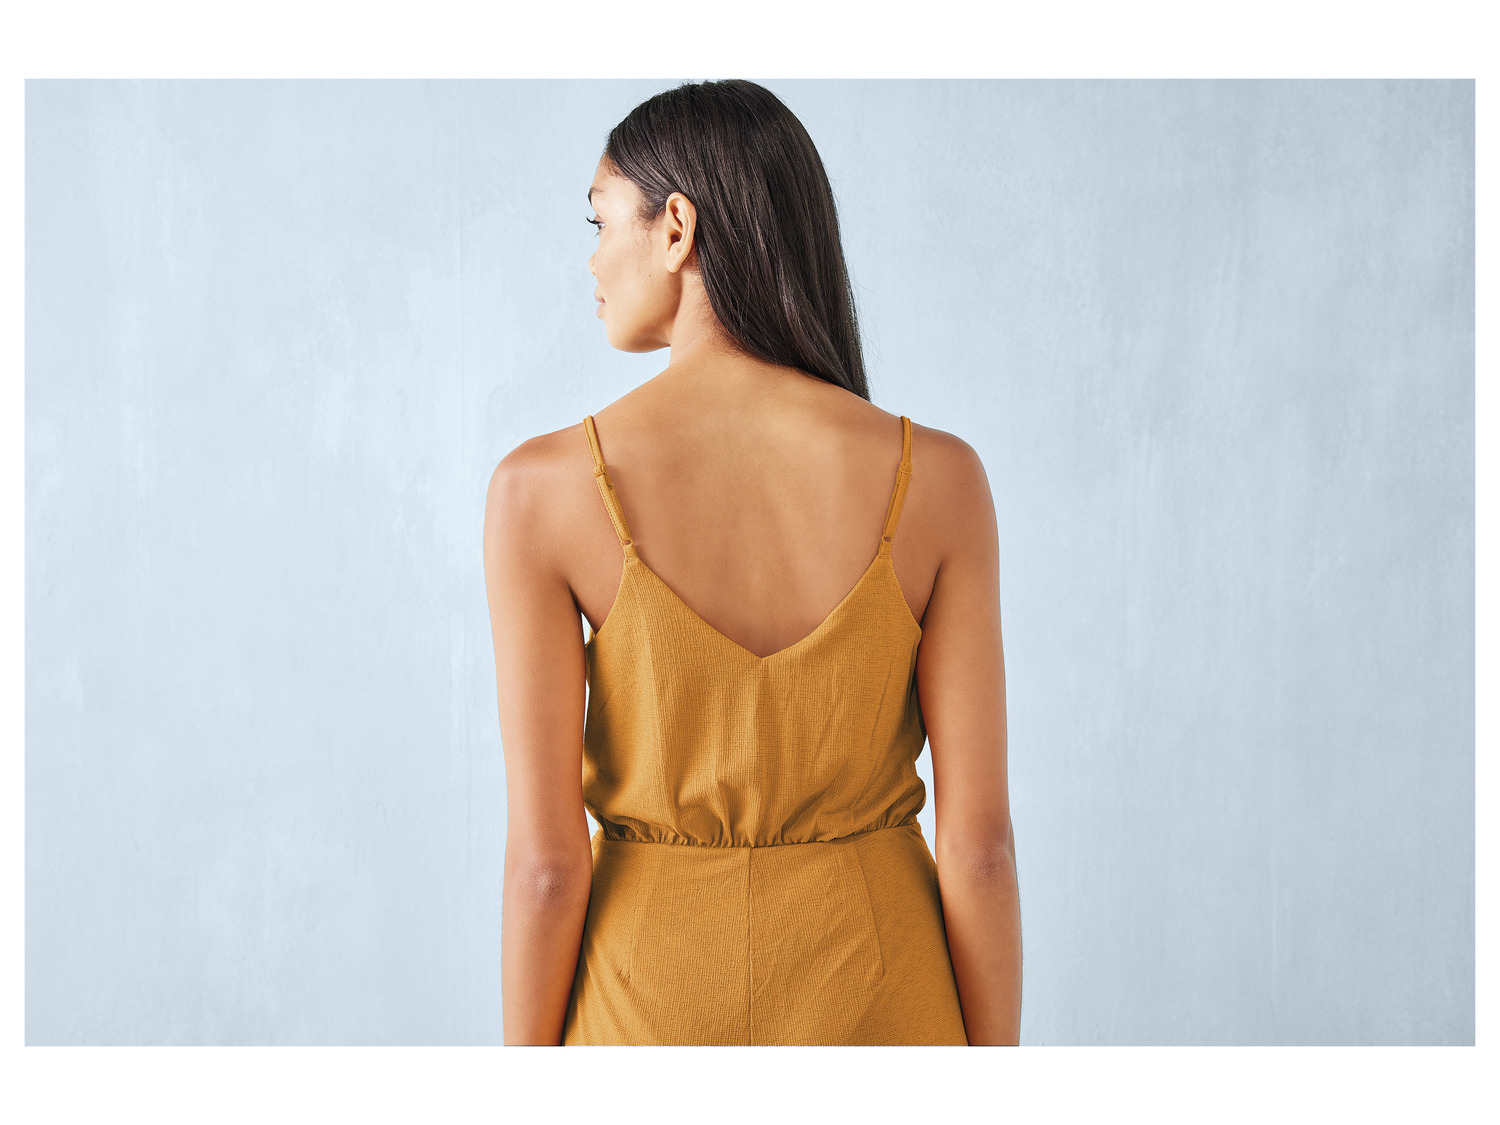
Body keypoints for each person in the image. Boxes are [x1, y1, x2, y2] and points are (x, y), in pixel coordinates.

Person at [483, 80, 1019, 1045]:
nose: (593, 259)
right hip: (883, 1004)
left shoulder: (543, 489)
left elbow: (547, 872)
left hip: (645, 1011)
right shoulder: (939, 479)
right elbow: (979, 853)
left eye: (601, 221)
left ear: (676, 228)